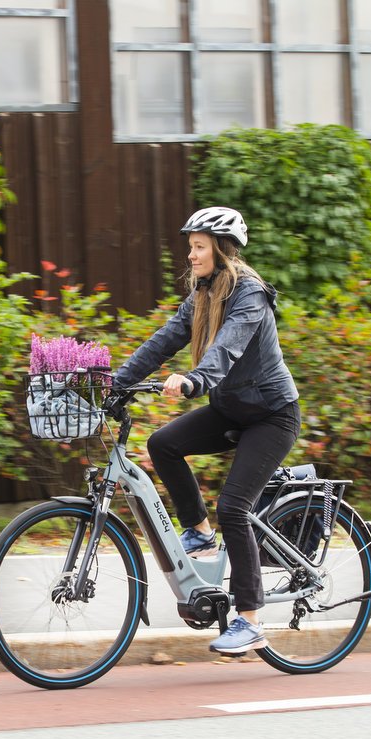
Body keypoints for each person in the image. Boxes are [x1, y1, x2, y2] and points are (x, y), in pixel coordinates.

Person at [110, 206, 300, 655]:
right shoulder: (201, 294)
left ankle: (249, 619)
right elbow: (164, 339)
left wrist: (196, 379)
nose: (191, 256)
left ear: (221, 249)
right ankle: (197, 530)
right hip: (233, 409)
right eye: (190, 247)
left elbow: (226, 349)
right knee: (163, 443)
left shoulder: (249, 295)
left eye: (198, 247)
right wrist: (115, 383)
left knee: (234, 507)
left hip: (272, 415)